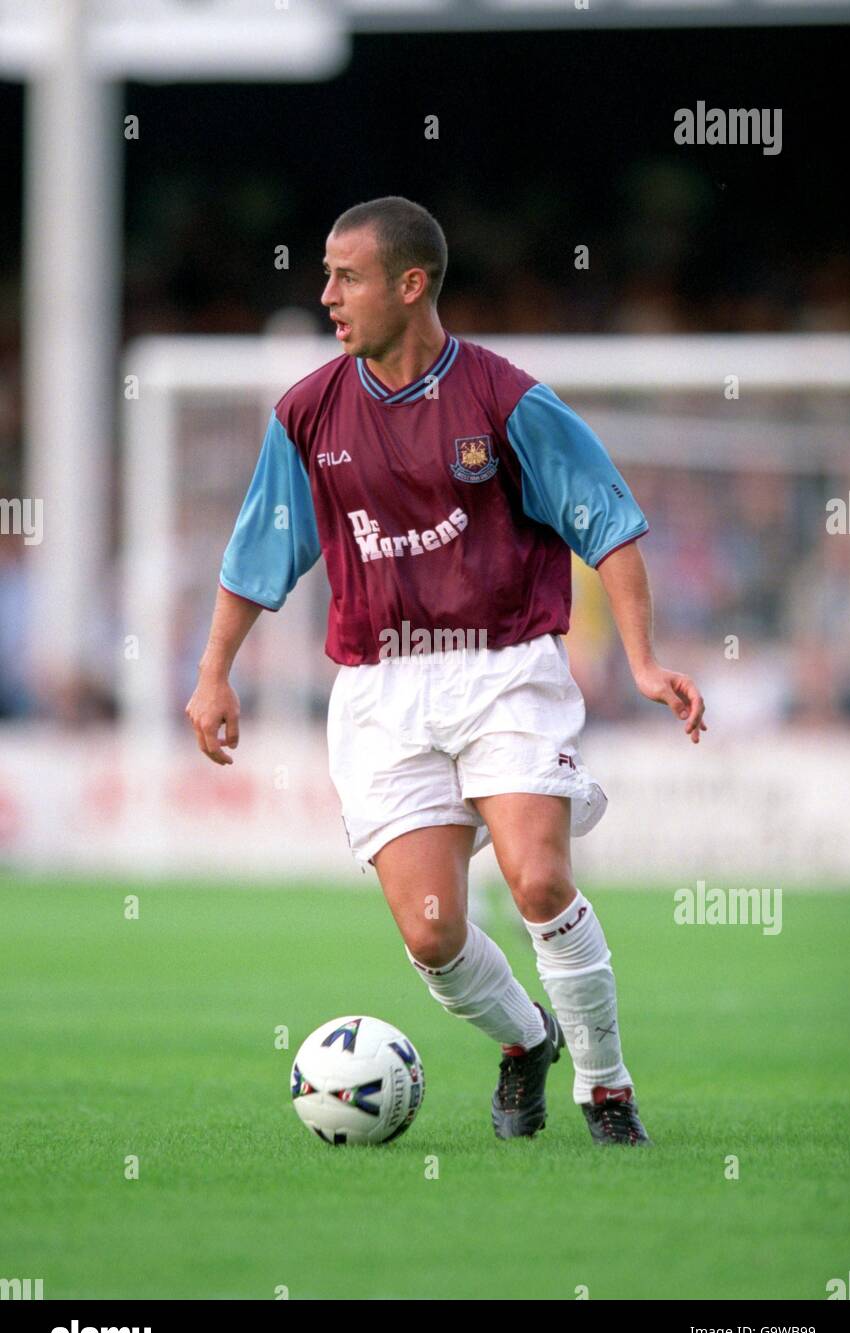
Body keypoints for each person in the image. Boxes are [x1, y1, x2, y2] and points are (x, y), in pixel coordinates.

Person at [185, 196, 706, 1146]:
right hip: (381, 689)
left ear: (411, 284)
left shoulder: (507, 401)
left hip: (504, 666)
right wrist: (214, 673)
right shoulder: (307, 414)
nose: (327, 295)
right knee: (431, 932)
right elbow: (259, 552)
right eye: (327, 275)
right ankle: (525, 1041)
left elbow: (611, 525)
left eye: (347, 277)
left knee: (540, 880)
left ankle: (606, 1085)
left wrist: (642, 658)